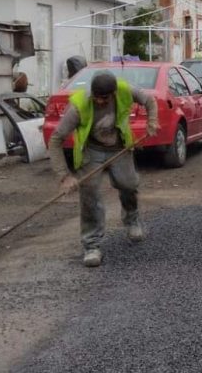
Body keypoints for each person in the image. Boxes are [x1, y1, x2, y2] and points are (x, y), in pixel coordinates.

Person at [48, 71, 158, 268]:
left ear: (113, 93)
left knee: (128, 184)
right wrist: (64, 176)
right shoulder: (79, 106)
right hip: (92, 151)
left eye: (104, 98)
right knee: (89, 195)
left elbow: (150, 100)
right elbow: (55, 140)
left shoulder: (125, 91)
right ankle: (92, 245)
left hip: (119, 147)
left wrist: (152, 122)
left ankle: (132, 218)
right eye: (96, 96)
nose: (99, 101)